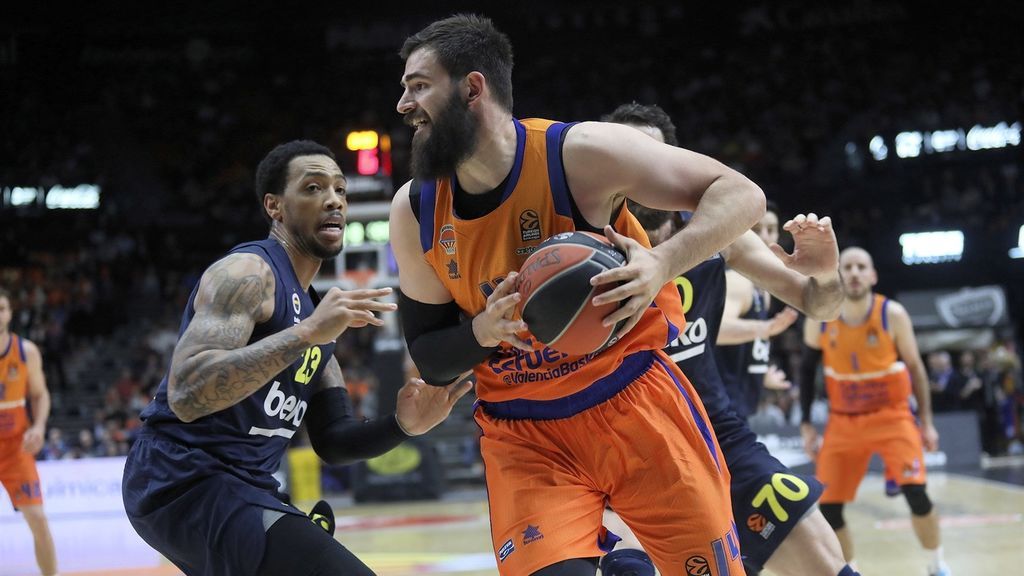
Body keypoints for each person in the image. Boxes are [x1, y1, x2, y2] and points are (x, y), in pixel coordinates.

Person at [390, 15, 764, 576]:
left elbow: (741, 194)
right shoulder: (415, 209)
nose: (403, 103)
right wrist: (482, 332)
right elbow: (430, 358)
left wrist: (661, 262)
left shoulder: (578, 153)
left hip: (636, 404)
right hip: (524, 435)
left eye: (418, 85)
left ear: (473, 88)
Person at [121, 140, 472, 576]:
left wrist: (402, 425)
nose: (333, 200)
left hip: (245, 488)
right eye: (312, 188)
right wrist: (306, 333)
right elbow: (187, 393)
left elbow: (334, 441)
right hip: (182, 480)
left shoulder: (314, 312)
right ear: (275, 206)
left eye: (341, 190)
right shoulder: (248, 274)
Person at [599, 103, 858, 576]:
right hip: (624, 448)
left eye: (647, 154)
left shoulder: (716, 233)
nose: (635, 167)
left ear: (671, 162)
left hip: (715, 430)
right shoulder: (580, 244)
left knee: (828, 562)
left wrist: (825, 275)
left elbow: (821, 305)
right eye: (624, 153)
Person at [801, 247, 952, 576]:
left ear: (872, 276)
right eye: (848, 266)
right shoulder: (820, 318)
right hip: (842, 420)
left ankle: (937, 563)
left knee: (916, 493)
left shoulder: (892, 314)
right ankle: (850, 568)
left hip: (892, 416)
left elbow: (917, 369)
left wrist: (926, 422)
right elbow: (806, 371)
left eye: (861, 267)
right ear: (840, 275)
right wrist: (806, 424)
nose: (854, 272)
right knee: (828, 506)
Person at [716, 200, 800, 419]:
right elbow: (717, 330)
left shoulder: (763, 288)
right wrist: (768, 327)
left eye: (771, 229)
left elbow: (739, 345)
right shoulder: (737, 280)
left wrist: (760, 373)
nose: (765, 236)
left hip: (736, 409)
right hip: (717, 411)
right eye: (756, 230)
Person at [0, 288, 59, 576]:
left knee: (38, 519)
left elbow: (40, 394)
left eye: (1, 308)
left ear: (10, 313)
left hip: (15, 447)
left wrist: (38, 426)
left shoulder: (27, 352)